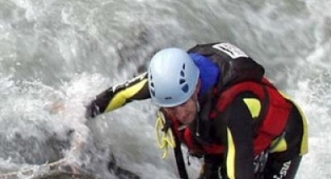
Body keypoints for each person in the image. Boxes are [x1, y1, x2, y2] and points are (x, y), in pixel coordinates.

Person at [84, 42, 308, 179]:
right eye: (170, 108)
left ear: (196, 87)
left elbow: (239, 173)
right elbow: (119, 94)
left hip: (285, 139)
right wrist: (80, 115)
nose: (180, 114)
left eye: (183, 104)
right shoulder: (165, 80)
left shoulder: (232, 110)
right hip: (220, 138)